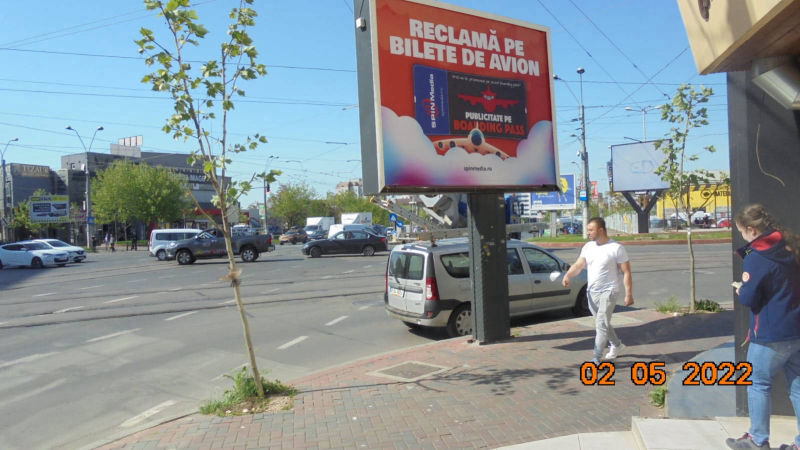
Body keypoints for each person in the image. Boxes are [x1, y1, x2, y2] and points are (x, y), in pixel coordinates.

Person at [726, 204, 800, 450]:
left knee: (758, 384)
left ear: (751, 229)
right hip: (796, 329)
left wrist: (741, 290)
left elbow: (750, 298)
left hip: (769, 333)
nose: (742, 236)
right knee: (798, 387)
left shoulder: (756, 257)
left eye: (741, 231)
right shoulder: (791, 245)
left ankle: (758, 440)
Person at [562, 217, 634, 364]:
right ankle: (617, 345)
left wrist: (629, 294)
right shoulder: (588, 247)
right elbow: (579, 265)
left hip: (609, 291)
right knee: (603, 322)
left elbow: (626, 272)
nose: (587, 232)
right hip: (592, 292)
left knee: (601, 323)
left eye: (591, 230)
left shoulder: (616, 248)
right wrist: (568, 275)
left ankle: (597, 356)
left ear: (600, 230)